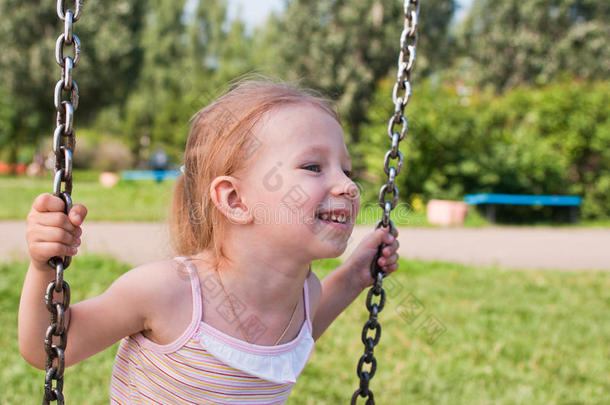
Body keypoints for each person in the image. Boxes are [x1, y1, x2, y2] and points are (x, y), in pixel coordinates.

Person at [19, 79, 400, 404]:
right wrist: (42, 266)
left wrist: (353, 277)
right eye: (314, 167)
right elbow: (47, 349)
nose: (348, 186)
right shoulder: (168, 293)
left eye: (346, 169)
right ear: (235, 200)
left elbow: (300, 333)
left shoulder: (304, 295)